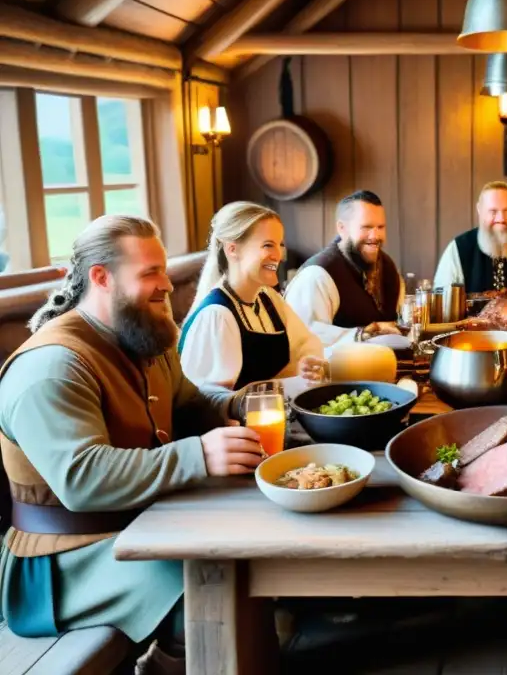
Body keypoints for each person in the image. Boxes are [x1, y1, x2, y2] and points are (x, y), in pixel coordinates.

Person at [0, 215, 265, 674]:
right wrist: (200, 455)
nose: (166, 284)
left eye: (163, 270)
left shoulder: (143, 340)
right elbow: (82, 480)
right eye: (149, 273)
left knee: (245, 553)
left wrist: (241, 405)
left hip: (141, 523)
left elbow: (191, 401)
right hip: (61, 561)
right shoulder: (52, 367)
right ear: (101, 277)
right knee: (203, 581)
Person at [178, 202, 323, 391]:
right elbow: (214, 400)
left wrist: (307, 363)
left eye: (280, 245)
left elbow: (305, 344)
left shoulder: (268, 300)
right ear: (232, 249)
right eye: (268, 245)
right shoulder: (217, 315)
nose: (278, 255)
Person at [284, 191, 404, 350]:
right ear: (342, 228)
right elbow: (303, 337)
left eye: (380, 227)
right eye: (366, 227)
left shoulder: (388, 266)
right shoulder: (316, 275)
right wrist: (363, 334)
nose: (375, 235)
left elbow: (401, 320)